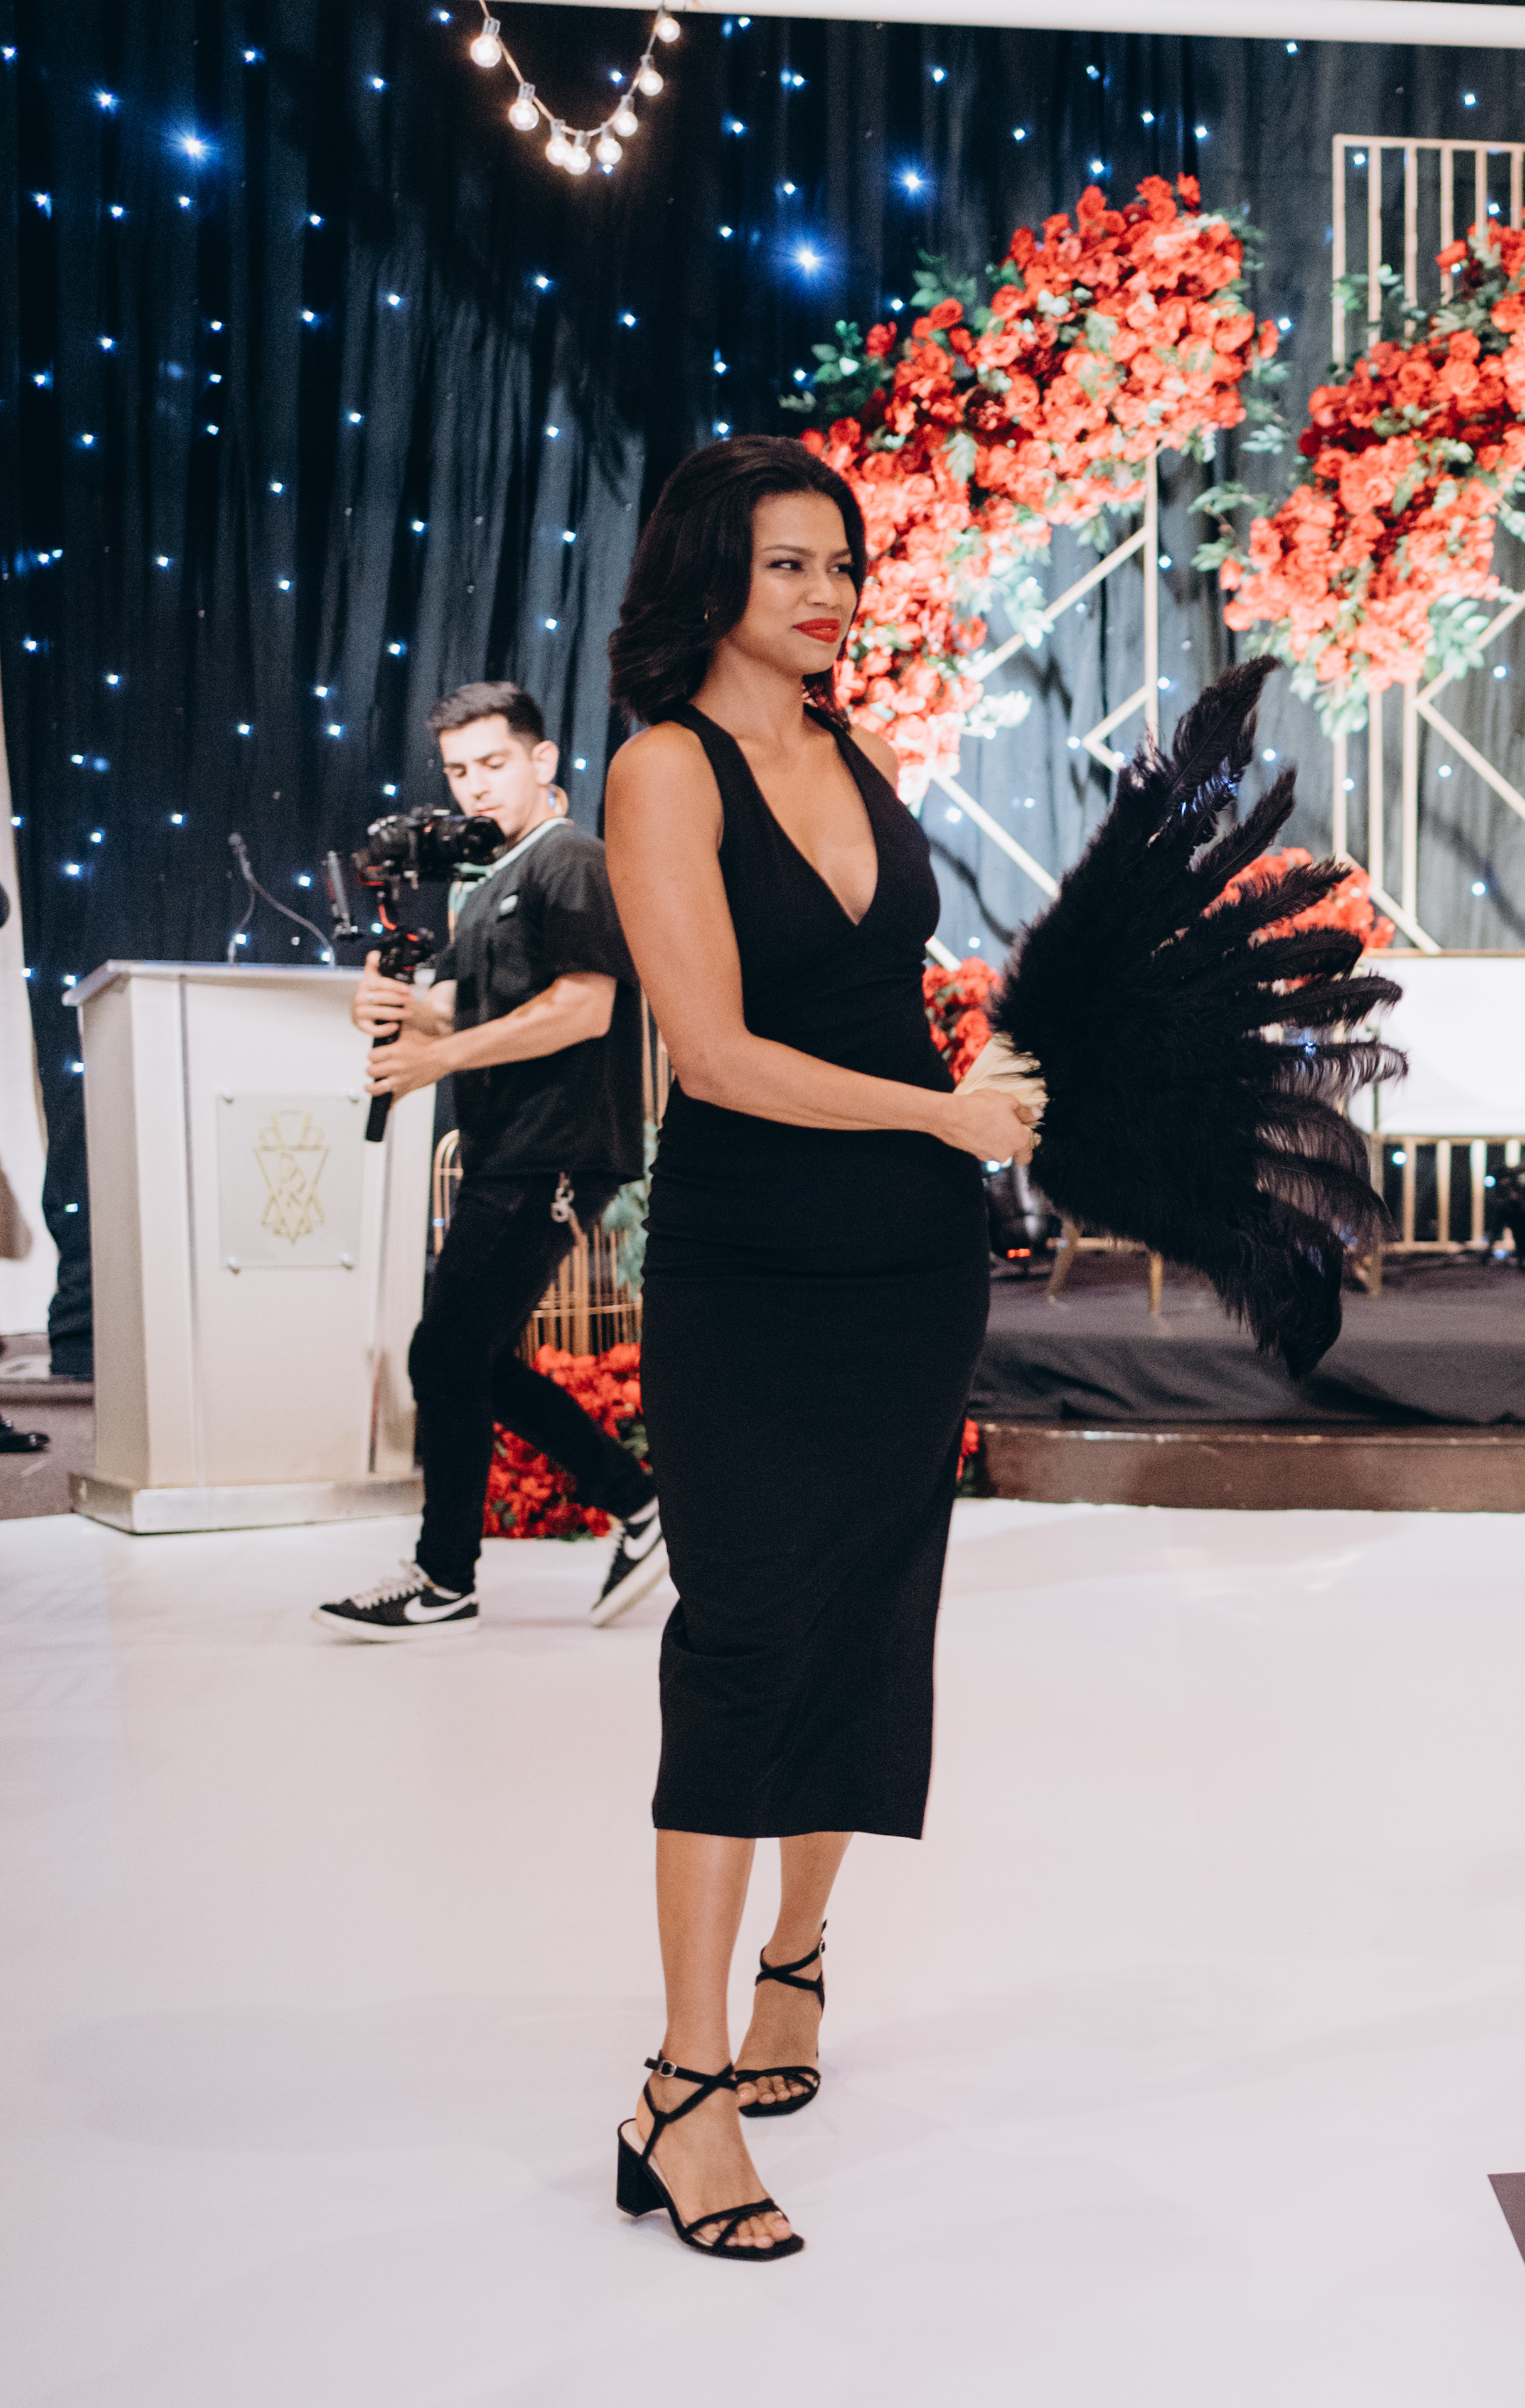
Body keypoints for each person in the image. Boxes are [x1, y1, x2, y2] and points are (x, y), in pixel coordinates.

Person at [596, 436, 1035, 2259]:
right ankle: (681, 2090)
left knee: (862, 1623)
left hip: (911, 1268)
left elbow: (874, 1007)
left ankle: (797, 1967)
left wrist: (982, 1086)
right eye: (789, 564)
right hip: (753, 1263)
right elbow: (712, 1054)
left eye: (841, 563)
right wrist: (941, 1117)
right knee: (743, 1642)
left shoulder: (852, 753)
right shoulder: (662, 769)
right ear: (712, 578)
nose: (828, 593)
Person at [311, 682, 666, 1638]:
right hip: (509, 1146)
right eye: (459, 769)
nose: (474, 786)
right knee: (460, 1355)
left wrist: (436, 1057)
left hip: (557, 1146)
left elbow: (583, 1008)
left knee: (447, 1354)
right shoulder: (485, 881)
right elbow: (462, 1007)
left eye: (493, 763)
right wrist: (392, 1007)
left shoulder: (571, 861)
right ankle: (632, 1504)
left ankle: (452, 1576)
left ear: (542, 760)